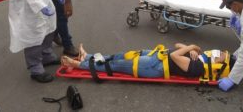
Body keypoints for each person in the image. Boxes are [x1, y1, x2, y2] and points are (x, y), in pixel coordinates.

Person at [61, 43, 234, 80]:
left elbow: (175, 56)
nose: (218, 52)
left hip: (153, 66)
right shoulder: (201, 57)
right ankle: (89, 56)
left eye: (221, 55)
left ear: (219, 65)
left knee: (113, 65)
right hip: (156, 56)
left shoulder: (198, 67)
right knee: (117, 56)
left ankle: (77, 64)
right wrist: (192, 49)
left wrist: (191, 47)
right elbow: (177, 46)